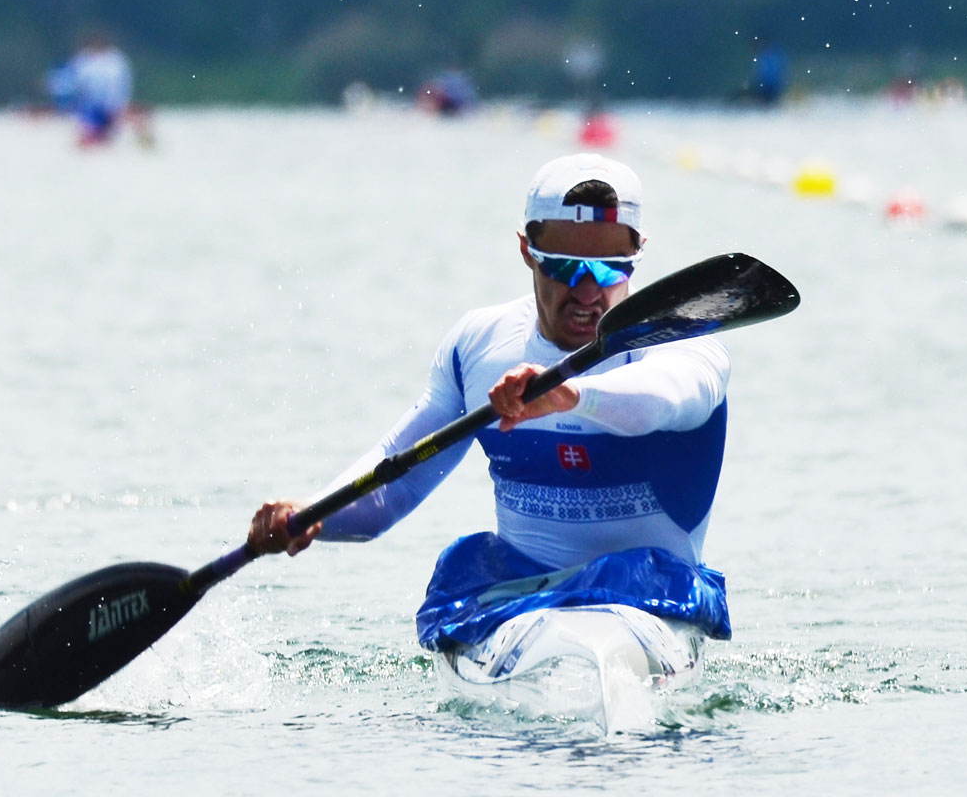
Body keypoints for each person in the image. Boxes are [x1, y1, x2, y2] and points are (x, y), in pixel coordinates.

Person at [248, 154, 735, 650]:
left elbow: (662, 401)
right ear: (527, 250)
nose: (588, 290)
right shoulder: (480, 344)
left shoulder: (684, 344)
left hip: (652, 604)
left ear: (639, 251)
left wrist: (571, 396)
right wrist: (310, 515)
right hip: (519, 603)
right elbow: (391, 492)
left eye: (611, 269)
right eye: (565, 267)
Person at [65, 33, 132, 145]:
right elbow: (75, 81)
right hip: (88, 103)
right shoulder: (82, 59)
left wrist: (119, 104)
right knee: (89, 129)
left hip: (109, 103)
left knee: (107, 132)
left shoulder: (115, 61)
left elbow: (119, 84)